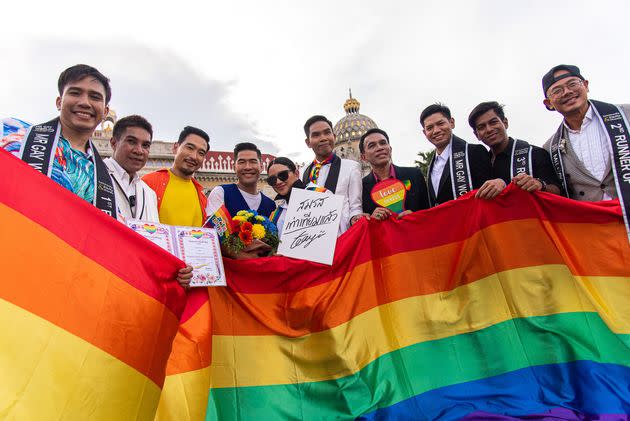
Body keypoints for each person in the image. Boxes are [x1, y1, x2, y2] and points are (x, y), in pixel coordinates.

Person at [3, 64, 118, 217]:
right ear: (59, 102)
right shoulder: (15, 135)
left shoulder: (103, 177)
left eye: (95, 97)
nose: (85, 102)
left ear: (104, 112)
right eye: (75, 93)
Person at [542, 64, 630, 203]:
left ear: (586, 85)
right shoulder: (549, 148)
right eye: (557, 90)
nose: (567, 92)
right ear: (549, 103)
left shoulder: (626, 115)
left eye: (572, 84)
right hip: (593, 221)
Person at [467, 101, 561, 199]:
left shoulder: (535, 154)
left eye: (493, 122)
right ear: (476, 135)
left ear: (505, 123)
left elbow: (559, 191)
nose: (489, 129)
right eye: (481, 127)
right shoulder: (479, 163)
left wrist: (540, 185)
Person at [420, 103, 491, 207]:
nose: (436, 130)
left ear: (451, 123)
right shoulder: (431, 166)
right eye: (430, 128)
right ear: (424, 133)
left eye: (440, 123)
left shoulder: (474, 152)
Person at [302, 115, 362, 233]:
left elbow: (355, 207)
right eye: (316, 135)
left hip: (341, 237)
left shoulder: (351, 167)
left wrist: (355, 218)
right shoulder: (303, 171)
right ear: (308, 142)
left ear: (334, 137)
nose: (323, 138)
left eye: (327, 133)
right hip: (309, 238)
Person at [142, 126, 209, 227]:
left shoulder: (202, 197)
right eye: (190, 148)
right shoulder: (148, 183)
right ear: (175, 148)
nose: (194, 156)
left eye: (201, 153)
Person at [359, 128, 429, 220]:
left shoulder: (414, 175)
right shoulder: (360, 187)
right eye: (372, 146)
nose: (380, 148)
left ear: (390, 149)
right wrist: (371, 220)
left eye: (383, 143)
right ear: (363, 157)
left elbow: (429, 210)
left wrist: (415, 216)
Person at [104, 115, 159, 222]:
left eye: (145, 145)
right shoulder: (94, 175)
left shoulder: (149, 193)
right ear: (114, 143)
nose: (139, 151)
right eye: (132, 142)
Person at [206, 142, 275, 218]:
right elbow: (212, 228)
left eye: (253, 161)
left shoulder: (271, 206)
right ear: (234, 167)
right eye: (242, 162)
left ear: (261, 167)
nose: (247, 167)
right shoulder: (221, 193)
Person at [266, 157, 306, 236]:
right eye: (272, 179)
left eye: (283, 175)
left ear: (296, 173)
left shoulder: (321, 195)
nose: (278, 182)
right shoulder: (275, 214)